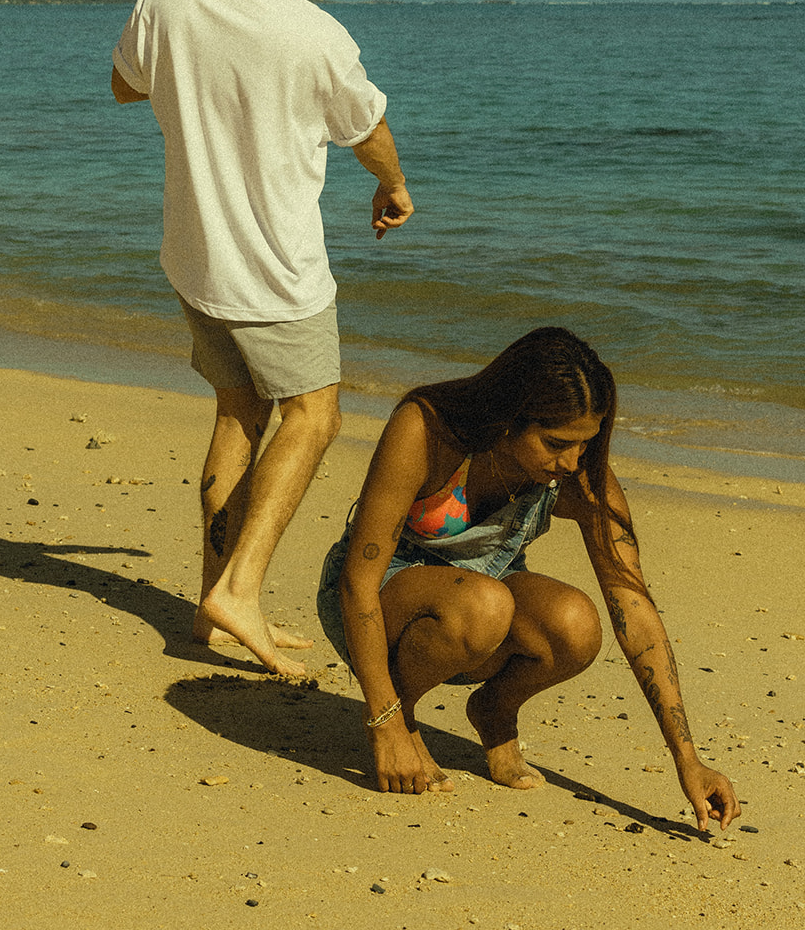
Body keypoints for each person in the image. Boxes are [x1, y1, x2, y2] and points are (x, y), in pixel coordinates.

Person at [111, 0, 413, 677]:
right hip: (274, 269)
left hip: (194, 256)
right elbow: (367, 128)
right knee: (313, 418)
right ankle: (239, 589)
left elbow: (124, 85)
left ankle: (215, 604)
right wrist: (392, 184)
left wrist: (203, 86)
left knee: (238, 413)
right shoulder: (313, 32)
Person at [317, 327, 740, 833]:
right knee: (485, 604)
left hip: (481, 602)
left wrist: (688, 759)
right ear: (507, 419)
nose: (572, 462)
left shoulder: (578, 476)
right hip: (380, 601)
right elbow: (356, 582)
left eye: (585, 445)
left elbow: (633, 601)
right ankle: (405, 714)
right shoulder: (427, 430)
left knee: (576, 624)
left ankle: (495, 710)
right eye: (556, 443)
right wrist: (384, 723)